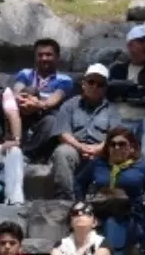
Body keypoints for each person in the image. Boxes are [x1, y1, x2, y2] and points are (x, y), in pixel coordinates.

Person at [77, 126, 145, 255]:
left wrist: (144, 210)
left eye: (122, 144)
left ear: (131, 147)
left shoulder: (142, 167)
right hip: (101, 212)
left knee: (114, 224)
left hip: (129, 216)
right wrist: (83, 205)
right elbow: (79, 183)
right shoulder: (98, 165)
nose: (116, 147)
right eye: (112, 144)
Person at [51, 64, 120, 201]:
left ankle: (103, 198)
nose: (94, 87)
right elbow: (63, 134)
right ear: (83, 84)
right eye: (91, 82)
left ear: (105, 88)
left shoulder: (112, 110)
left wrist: (98, 149)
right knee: (62, 151)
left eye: (100, 84)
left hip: (101, 151)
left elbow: (115, 136)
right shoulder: (69, 105)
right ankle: (66, 198)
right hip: (75, 148)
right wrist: (80, 147)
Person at [7, 37, 75, 162]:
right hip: (24, 114)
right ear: (35, 57)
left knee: (53, 119)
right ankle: (13, 143)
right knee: (19, 96)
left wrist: (37, 104)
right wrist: (25, 100)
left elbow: (53, 100)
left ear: (57, 57)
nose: (44, 58)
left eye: (48, 55)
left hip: (45, 117)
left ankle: (28, 154)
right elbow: (18, 91)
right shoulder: (25, 73)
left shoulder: (64, 80)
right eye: (40, 55)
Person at [108, 26, 145, 164]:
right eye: (141, 42)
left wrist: (123, 94)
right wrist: (136, 89)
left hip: (143, 121)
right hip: (118, 120)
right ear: (130, 45)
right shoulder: (116, 69)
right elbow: (108, 92)